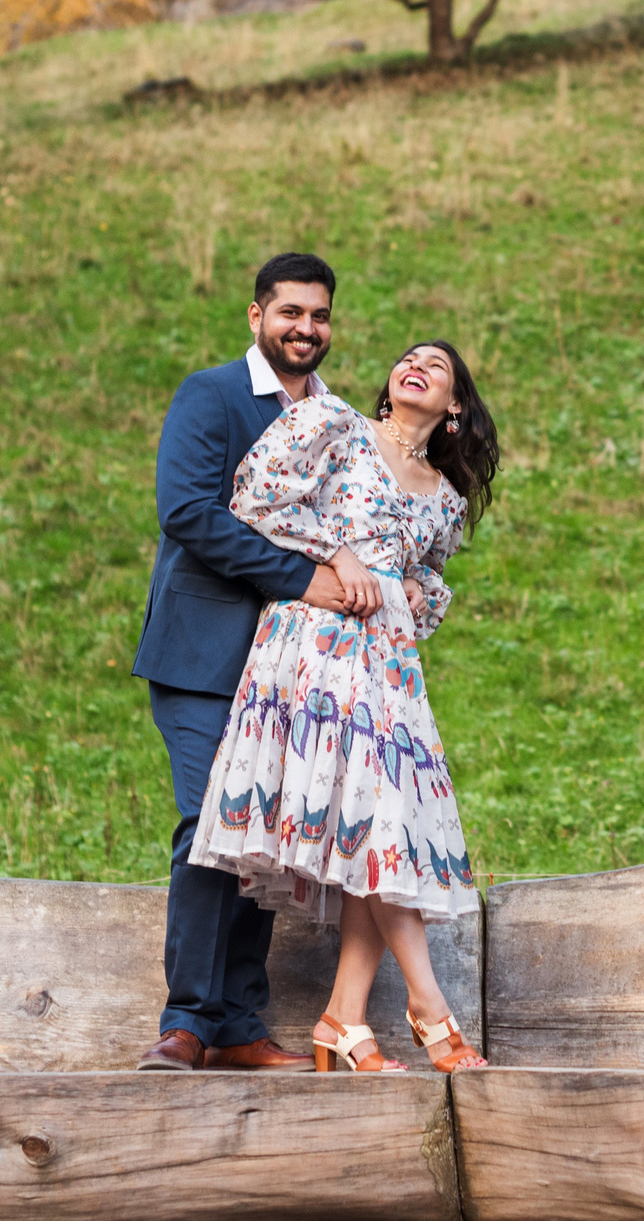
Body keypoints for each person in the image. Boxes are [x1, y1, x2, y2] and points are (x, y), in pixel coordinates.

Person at [190, 337, 498, 1073]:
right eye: (409, 358)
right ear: (391, 383)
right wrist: (339, 553)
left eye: (437, 366)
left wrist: (415, 589)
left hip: (389, 664)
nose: (416, 366)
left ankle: (344, 1018)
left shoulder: (446, 499)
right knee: (380, 819)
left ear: (455, 404)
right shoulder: (334, 424)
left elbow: (431, 577)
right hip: (316, 645)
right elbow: (255, 495)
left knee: (378, 827)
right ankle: (431, 1010)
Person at [132, 252, 356, 1073]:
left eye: (319, 315)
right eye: (290, 311)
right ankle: (187, 1020)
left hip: (292, 667)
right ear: (256, 315)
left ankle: (237, 1025)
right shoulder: (212, 393)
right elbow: (188, 510)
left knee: (262, 834)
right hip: (201, 656)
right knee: (209, 826)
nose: (306, 327)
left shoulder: (336, 418)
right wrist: (302, 576)